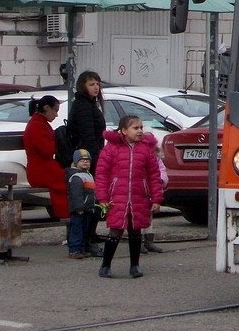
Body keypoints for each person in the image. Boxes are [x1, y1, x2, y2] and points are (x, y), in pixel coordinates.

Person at [96, 114, 163, 278]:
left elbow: (154, 176)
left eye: (141, 127)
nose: (140, 131)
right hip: (117, 197)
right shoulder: (111, 148)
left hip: (139, 197)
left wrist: (156, 198)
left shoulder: (146, 150)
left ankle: (135, 265)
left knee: (135, 232)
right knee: (115, 231)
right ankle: (105, 265)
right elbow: (102, 175)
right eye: (135, 128)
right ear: (124, 130)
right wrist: (103, 198)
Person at [23, 95, 70, 223]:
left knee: (72, 178)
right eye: (55, 110)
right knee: (69, 181)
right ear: (46, 108)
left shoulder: (39, 123)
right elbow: (47, 150)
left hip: (42, 168)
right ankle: (67, 216)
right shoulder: (37, 126)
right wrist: (58, 143)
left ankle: (68, 215)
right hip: (41, 170)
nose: (56, 115)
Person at [69, 70, 108, 176]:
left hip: (91, 154)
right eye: (91, 84)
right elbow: (87, 134)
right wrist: (97, 156)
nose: (96, 87)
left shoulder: (89, 104)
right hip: (87, 157)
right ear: (83, 86)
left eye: (97, 84)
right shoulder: (83, 105)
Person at [66, 149, 101, 259]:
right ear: (76, 162)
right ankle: (74, 249)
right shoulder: (76, 177)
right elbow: (76, 194)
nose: (85, 162)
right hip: (79, 209)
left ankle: (82, 249)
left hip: (88, 208)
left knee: (85, 230)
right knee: (76, 229)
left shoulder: (88, 175)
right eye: (82, 160)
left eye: (87, 160)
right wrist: (79, 207)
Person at [142, 144, 168, 254]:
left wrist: (160, 180)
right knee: (139, 216)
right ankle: (138, 241)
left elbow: (162, 171)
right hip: (141, 190)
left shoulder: (157, 160)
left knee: (149, 216)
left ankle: (148, 241)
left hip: (151, 190)